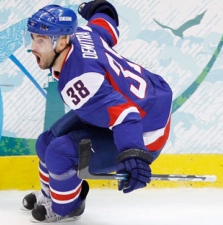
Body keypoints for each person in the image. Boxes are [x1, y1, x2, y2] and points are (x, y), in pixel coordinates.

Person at [22, 0, 172, 223]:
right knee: (45, 142)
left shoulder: (80, 81)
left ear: (62, 42)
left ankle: (67, 208)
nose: (34, 46)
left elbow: (127, 116)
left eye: (41, 40)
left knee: (59, 152)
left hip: (144, 130)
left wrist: (134, 154)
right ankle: (50, 196)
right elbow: (106, 22)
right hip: (137, 101)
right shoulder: (83, 33)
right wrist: (99, 9)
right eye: (33, 37)